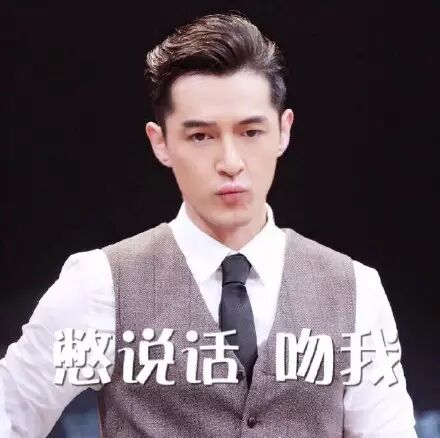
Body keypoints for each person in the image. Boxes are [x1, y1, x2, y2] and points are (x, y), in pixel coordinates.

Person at [0, 12, 417, 438]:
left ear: (283, 131)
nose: (230, 162)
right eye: (201, 136)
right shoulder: (100, 284)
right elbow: (10, 414)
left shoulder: (354, 288)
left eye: (251, 132)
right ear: (160, 142)